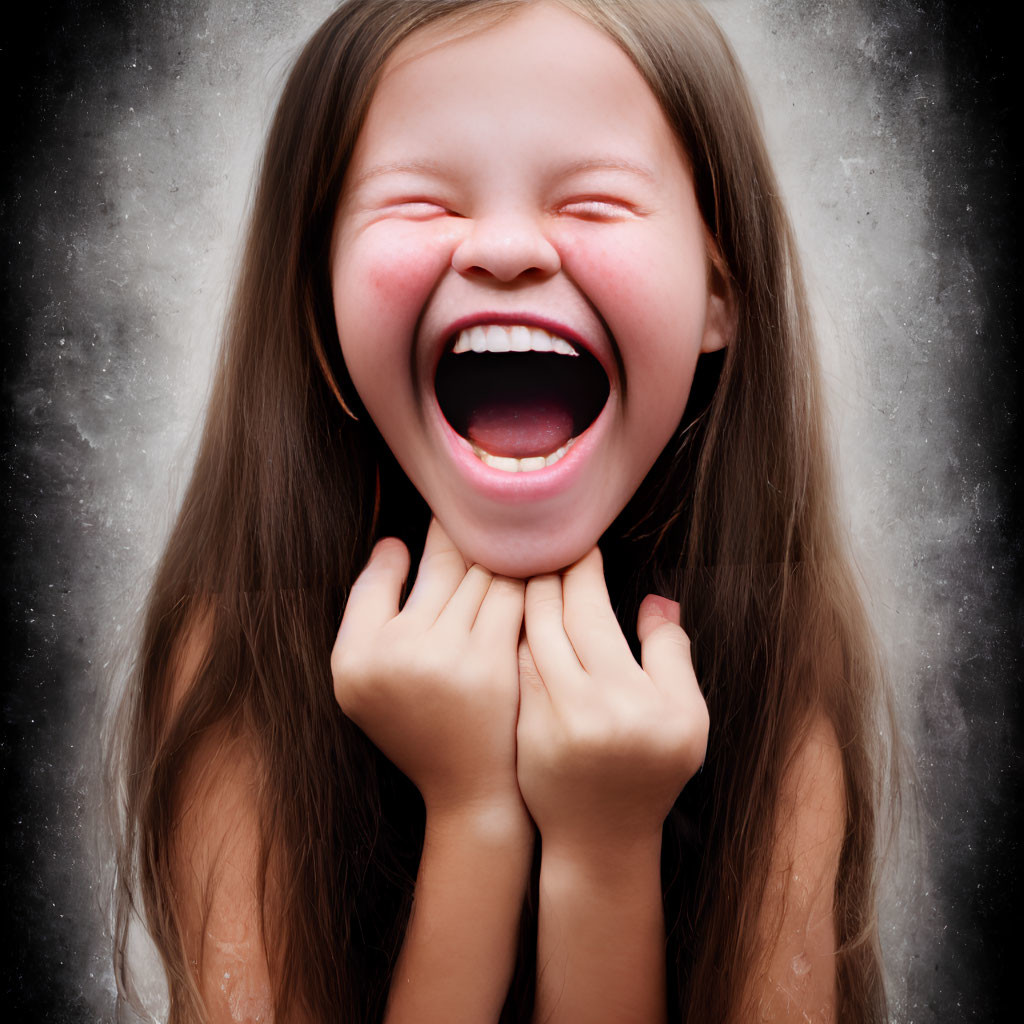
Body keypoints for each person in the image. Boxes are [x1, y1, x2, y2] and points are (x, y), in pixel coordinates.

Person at [112, 1, 895, 1021]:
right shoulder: (236, 653)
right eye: (424, 201)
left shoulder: (783, 651)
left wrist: (604, 851)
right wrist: (475, 817)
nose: (509, 246)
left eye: (596, 201)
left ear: (719, 289)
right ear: (318, 306)